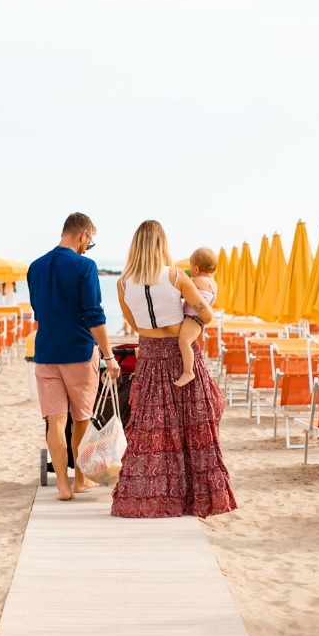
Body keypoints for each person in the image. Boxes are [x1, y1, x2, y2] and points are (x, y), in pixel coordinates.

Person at [111, 220, 236, 519]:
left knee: (152, 429)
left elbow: (133, 321)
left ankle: (152, 499)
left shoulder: (122, 283)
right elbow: (207, 313)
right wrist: (190, 322)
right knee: (192, 426)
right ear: (162, 245)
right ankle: (193, 498)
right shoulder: (177, 276)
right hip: (181, 352)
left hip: (151, 355)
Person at [28, 213, 121, 501]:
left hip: (45, 353)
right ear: (82, 234)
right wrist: (109, 356)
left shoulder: (35, 267)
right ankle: (80, 480)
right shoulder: (85, 266)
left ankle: (62, 487)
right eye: (89, 241)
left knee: (55, 420)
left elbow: (38, 309)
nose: (88, 247)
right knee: (81, 418)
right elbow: (94, 315)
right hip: (79, 354)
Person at [174, 247, 218, 387]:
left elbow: (182, 290)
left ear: (197, 269)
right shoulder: (213, 283)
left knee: (184, 342)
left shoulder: (198, 281)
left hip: (193, 318)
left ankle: (188, 372)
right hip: (197, 319)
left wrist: (181, 276)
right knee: (185, 342)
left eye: (191, 267)